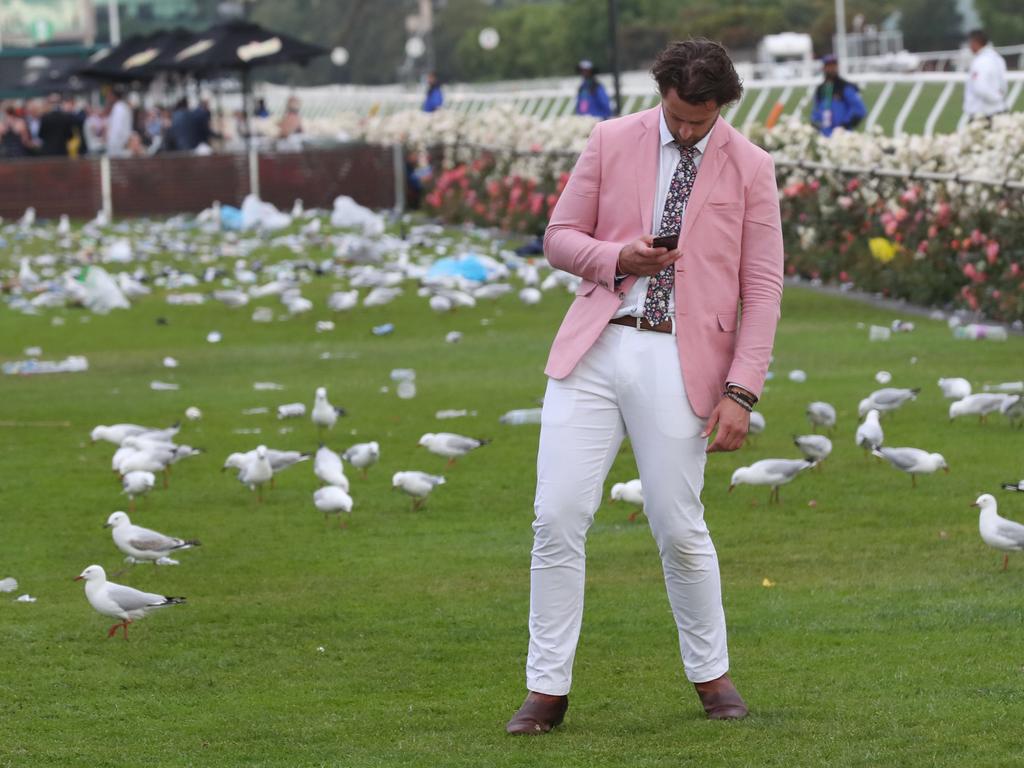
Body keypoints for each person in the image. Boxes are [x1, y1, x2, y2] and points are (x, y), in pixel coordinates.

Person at [506, 38, 783, 734]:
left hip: (684, 359)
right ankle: (546, 690)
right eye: (678, 117)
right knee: (556, 517)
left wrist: (741, 392)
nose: (687, 132)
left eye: (702, 120)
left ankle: (713, 677)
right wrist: (615, 258)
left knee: (678, 525)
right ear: (661, 92)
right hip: (595, 347)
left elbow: (764, 287)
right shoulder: (610, 138)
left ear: (723, 105)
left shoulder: (752, 166)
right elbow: (559, 237)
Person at [810, 55, 866, 136]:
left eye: (833, 66)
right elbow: (816, 111)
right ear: (824, 68)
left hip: (842, 135)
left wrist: (844, 126)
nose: (831, 69)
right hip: (823, 134)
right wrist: (816, 124)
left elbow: (859, 110)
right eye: (828, 66)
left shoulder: (845, 87)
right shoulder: (820, 89)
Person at [963, 29, 1008, 119]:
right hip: (999, 109)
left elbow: (980, 87)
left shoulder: (980, 61)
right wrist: (999, 98)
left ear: (975, 42)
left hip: (983, 113)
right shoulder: (997, 58)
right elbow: (1003, 84)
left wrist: (995, 99)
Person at [105, 89, 134, 158]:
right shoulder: (122, 107)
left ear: (114, 96)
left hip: (118, 147)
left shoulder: (119, 108)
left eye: (109, 96)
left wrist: (112, 146)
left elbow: (117, 129)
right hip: (120, 145)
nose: (107, 98)